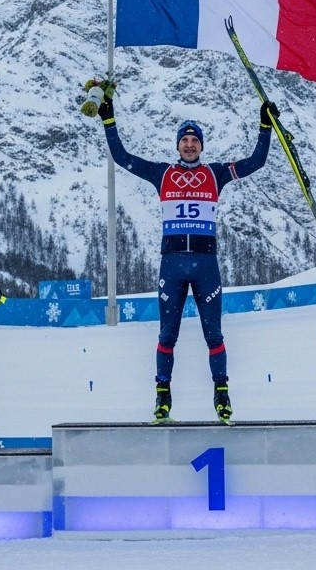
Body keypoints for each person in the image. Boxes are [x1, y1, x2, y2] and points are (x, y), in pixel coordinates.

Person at [97, 93, 275, 423]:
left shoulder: (215, 173)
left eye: (194, 140)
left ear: (201, 146)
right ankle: (162, 397)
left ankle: (221, 394)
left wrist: (265, 127)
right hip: (173, 263)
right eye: (185, 140)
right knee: (167, 335)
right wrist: (108, 121)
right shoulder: (161, 173)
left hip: (206, 264)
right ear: (178, 145)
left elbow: (255, 163)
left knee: (214, 334)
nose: (190, 145)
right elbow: (122, 157)